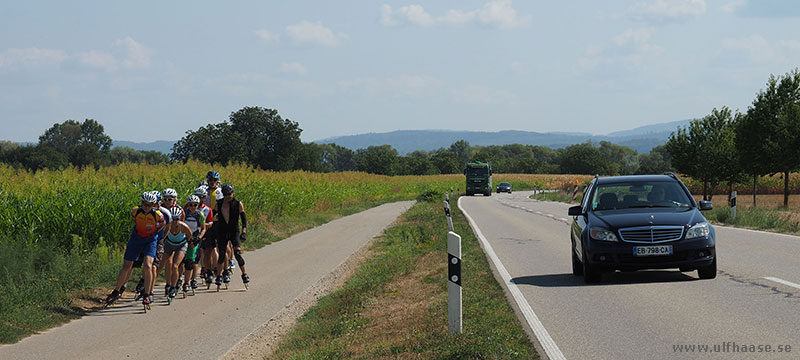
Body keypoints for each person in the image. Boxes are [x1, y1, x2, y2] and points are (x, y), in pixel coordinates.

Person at [105, 192, 165, 308]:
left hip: (150, 241)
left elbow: (163, 224)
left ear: (153, 205)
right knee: (127, 265)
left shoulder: (157, 214)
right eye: (145, 204)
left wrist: (154, 231)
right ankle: (116, 291)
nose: (147, 207)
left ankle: (148, 294)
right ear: (142, 203)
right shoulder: (135, 211)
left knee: (148, 265)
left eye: (149, 205)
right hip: (136, 239)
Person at [214, 184, 250, 288]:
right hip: (222, 231)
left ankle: (244, 274)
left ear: (233, 193)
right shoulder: (219, 204)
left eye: (230, 194)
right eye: (226, 195)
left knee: (237, 253)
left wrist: (244, 232)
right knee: (221, 254)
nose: (228, 196)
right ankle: (219, 275)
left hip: (234, 231)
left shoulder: (238, 204)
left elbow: (244, 220)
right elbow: (211, 216)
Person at [162, 206, 192, 302]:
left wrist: (187, 243)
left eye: (177, 219)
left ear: (180, 218)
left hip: (181, 245)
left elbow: (189, 236)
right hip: (169, 244)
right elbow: (163, 237)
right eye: (173, 219)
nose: (175, 221)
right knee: (164, 264)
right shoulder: (167, 226)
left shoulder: (184, 226)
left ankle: (173, 287)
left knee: (175, 266)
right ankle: (165, 285)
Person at [181, 195, 206, 293]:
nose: (192, 207)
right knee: (181, 261)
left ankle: (186, 283)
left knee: (190, 261)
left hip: (194, 237)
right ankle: (179, 279)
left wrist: (198, 239)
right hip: (184, 237)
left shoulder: (200, 215)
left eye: (195, 205)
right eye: (191, 205)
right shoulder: (184, 213)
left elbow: (203, 228)